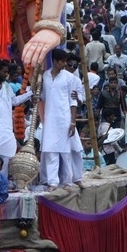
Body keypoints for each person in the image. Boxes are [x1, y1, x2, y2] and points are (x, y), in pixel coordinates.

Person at [40, 48, 82, 188]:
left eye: (66, 61)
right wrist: (35, 95)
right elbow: (44, 97)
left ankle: (68, 181)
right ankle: (52, 182)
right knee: (51, 151)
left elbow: (73, 101)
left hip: (65, 118)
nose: (65, 64)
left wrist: (73, 122)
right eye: (63, 61)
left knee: (66, 152)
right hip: (50, 119)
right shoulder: (45, 76)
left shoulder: (70, 78)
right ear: (55, 61)